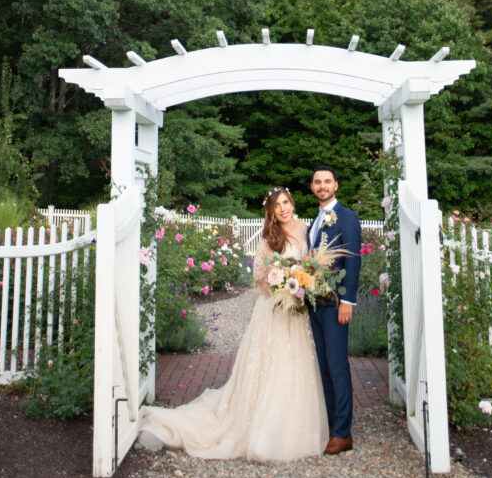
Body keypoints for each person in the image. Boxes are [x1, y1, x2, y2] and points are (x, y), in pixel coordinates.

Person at [137, 187, 329, 461]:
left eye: (286, 202)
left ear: (292, 203)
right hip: (274, 310)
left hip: (297, 312)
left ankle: (294, 430)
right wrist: (281, 289)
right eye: (278, 206)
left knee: (295, 365)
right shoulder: (268, 237)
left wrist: (302, 284)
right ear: (271, 211)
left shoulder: (305, 229)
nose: (284, 208)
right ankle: (262, 433)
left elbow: (311, 264)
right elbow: (259, 279)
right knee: (271, 365)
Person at [307, 165, 361, 454]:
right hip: (316, 303)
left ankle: (343, 433)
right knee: (324, 367)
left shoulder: (347, 217)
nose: (322, 186)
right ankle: (331, 424)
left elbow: (353, 260)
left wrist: (348, 301)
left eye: (327, 181)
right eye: (318, 182)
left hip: (336, 304)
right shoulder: (315, 222)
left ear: (336, 185)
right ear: (312, 187)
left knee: (338, 368)